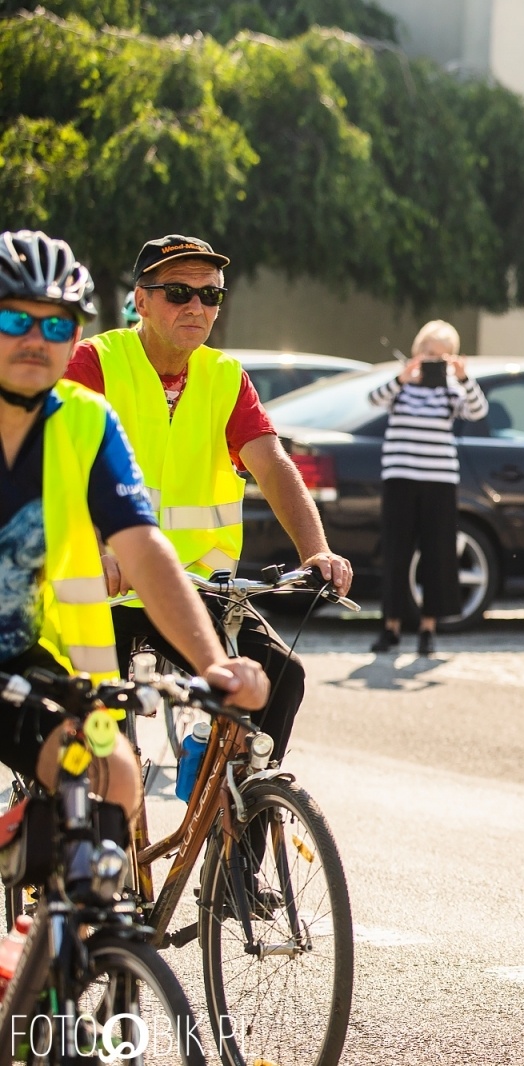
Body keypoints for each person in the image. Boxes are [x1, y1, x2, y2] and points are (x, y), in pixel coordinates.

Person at [0, 229, 268, 835]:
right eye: (16, 321)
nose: (36, 342)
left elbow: (144, 548)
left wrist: (212, 664)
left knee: (114, 785)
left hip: (26, 659)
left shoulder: (84, 420)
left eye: (57, 326)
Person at [63, 234, 352, 768]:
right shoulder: (94, 363)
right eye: (178, 292)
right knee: (99, 737)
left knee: (280, 675)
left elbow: (272, 464)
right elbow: (58, 466)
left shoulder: (224, 378)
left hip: (194, 587)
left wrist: (317, 551)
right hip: (102, 591)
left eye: (211, 295)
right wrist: (96, 544)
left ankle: (239, 822)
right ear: (142, 301)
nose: (196, 306)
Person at [367, 320, 487, 656]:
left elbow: (478, 412)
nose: (434, 359)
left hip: (439, 479)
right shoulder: (400, 386)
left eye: (441, 355)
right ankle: (390, 627)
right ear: (417, 351)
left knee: (437, 553)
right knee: (396, 552)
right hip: (400, 477)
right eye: (428, 352)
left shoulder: (452, 389)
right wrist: (403, 377)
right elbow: (373, 400)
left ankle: (428, 628)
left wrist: (463, 377)